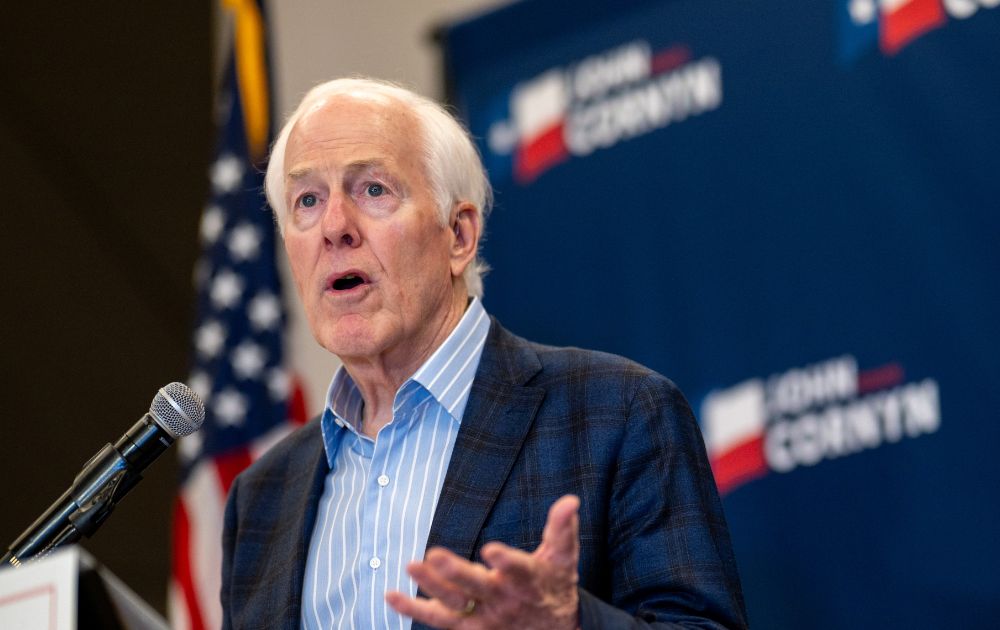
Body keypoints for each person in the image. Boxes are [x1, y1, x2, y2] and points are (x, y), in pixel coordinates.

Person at [220, 77, 747, 630]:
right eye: (307, 200)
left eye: (373, 190)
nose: (334, 227)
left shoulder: (620, 414)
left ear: (459, 235)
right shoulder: (261, 497)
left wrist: (569, 624)